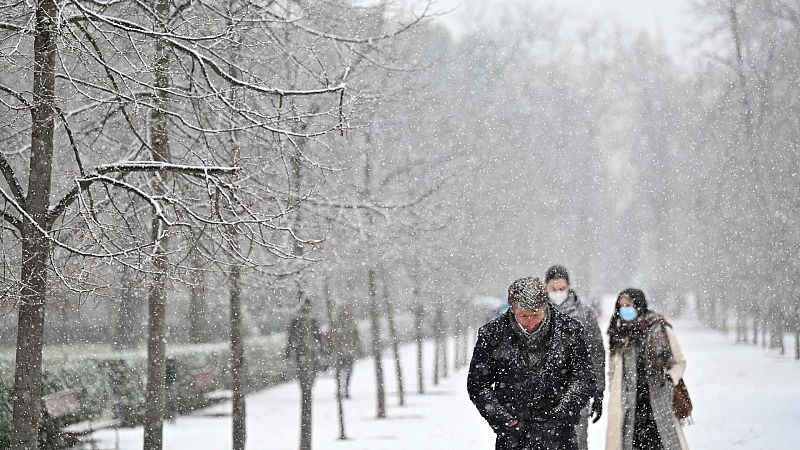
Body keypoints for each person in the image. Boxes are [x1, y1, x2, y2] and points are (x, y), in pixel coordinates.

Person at [468, 276, 595, 450]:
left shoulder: (570, 331)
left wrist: (563, 413)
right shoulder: (492, 335)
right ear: (512, 309)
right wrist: (504, 420)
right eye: (523, 316)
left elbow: (584, 379)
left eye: (535, 315)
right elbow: (477, 385)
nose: (530, 322)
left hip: (560, 436)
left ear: (546, 306)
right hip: (513, 437)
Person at [605, 288, 689, 450]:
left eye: (628, 305)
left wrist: (670, 379)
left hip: (657, 403)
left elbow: (679, 362)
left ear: (638, 305)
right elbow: (612, 369)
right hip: (629, 407)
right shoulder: (618, 332)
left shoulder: (659, 328)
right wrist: (615, 389)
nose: (624, 310)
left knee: (663, 443)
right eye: (621, 306)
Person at [545, 265, 606, 450]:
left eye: (561, 288)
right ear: (545, 286)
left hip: (577, 391)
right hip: (543, 393)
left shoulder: (584, 314)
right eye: (553, 289)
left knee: (576, 442)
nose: (558, 293)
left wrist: (598, 390)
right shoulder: (537, 314)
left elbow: (596, 353)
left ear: (569, 286)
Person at [331, 304, 362, 398]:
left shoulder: (351, 323)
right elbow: (334, 337)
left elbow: (356, 337)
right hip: (341, 352)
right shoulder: (338, 323)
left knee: (348, 371)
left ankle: (345, 390)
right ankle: (340, 390)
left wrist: (357, 348)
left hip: (348, 352)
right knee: (341, 372)